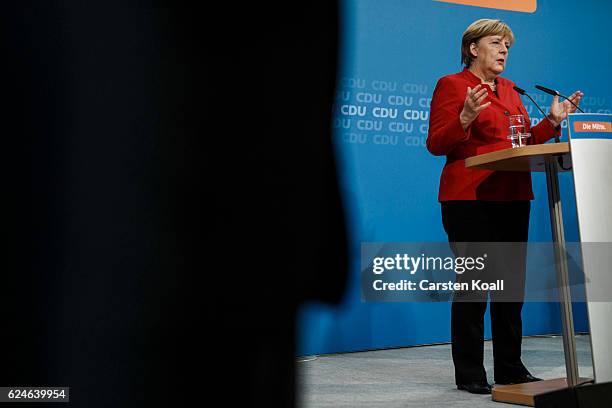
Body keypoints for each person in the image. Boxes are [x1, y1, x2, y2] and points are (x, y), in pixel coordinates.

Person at [426, 19, 582, 395]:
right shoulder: (453, 85)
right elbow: (436, 143)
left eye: (508, 46)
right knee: (476, 286)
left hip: (513, 195)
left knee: (511, 288)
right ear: (473, 48)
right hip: (470, 199)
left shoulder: (512, 90)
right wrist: (464, 118)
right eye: (496, 43)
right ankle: (470, 373)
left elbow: (523, 140)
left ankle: (510, 368)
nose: (503, 51)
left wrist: (551, 122)